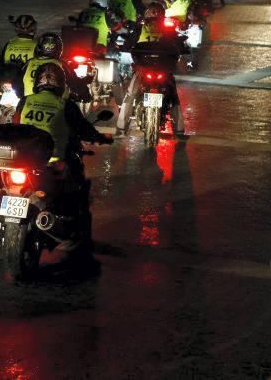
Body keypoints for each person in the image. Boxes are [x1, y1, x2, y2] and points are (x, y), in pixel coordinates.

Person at [14, 63, 114, 260]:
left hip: (23, 161)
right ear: (61, 84)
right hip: (52, 162)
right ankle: (78, 236)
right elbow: (83, 129)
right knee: (79, 189)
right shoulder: (65, 105)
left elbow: (16, 124)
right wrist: (101, 138)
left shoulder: (25, 101)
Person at [116, 39, 186, 136]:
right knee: (174, 99)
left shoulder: (142, 44)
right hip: (155, 73)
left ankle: (121, 128)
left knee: (130, 96)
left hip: (147, 72)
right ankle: (179, 130)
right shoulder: (169, 45)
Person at [18, 32, 72, 97]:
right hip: (56, 105)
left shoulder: (29, 62)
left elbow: (17, 80)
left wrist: (21, 96)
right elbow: (74, 81)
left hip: (29, 103)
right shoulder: (62, 64)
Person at [0, 15, 37, 84]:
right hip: (30, 83)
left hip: (11, 83)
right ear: (34, 29)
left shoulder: (9, 44)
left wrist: (1, 82)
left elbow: (1, 67)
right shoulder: (37, 45)